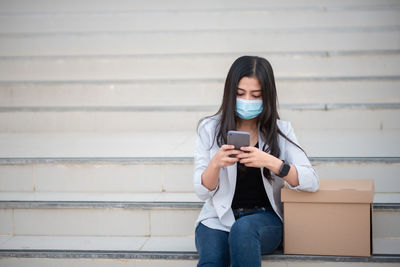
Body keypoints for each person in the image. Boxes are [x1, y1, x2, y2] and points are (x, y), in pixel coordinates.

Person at [193, 55, 319, 267]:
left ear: (267, 97)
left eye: (256, 95)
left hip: (264, 219)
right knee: (212, 262)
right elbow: (202, 191)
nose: (247, 101)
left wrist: (272, 162)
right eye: (240, 94)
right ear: (230, 93)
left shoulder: (280, 131)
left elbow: (311, 181)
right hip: (217, 218)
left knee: (244, 230)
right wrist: (215, 164)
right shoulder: (209, 128)